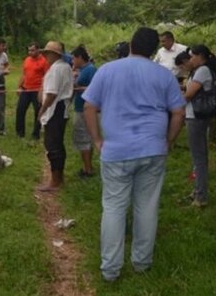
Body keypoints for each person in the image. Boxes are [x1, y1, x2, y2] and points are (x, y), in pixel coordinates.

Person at [82, 27, 186, 282]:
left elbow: (89, 106)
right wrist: (168, 141)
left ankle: (110, 270)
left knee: (114, 208)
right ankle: (141, 263)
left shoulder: (107, 70)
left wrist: (97, 140)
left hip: (116, 151)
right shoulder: (164, 75)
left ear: (130, 45)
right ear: (154, 51)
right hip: (153, 150)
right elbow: (179, 113)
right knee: (147, 207)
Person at [183, 44, 216, 208]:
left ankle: (201, 196)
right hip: (195, 117)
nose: (190, 60)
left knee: (199, 158)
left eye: (192, 56)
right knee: (198, 157)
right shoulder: (198, 71)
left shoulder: (203, 71)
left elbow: (189, 94)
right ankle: (198, 190)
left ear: (199, 56)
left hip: (196, 117)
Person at [36, 41, 73, 191]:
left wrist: (42, 110)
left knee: (52, 145)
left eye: (47, 53)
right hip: (60, 108)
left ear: (53, 54)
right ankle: (59, 178)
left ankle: (55, 181)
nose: (45, 56)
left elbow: (51, 94)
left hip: (54, 108)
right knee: (57, 144)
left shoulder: (57, 69)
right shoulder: (65, 67)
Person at [71, 45, 97, 178]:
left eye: (74, 59)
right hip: (80, 106)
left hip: (84, 109)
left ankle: (88, 169)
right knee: (85, 138)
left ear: (80, 57)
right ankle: (87, 166)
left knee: (83, 139)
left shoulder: (90, 70)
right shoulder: (81, 70)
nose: (73, 62)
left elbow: (95, 88)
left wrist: (78, 88)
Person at [16, 42, 49, 140]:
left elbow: (47, 77)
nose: (30, 52)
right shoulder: (27, 60)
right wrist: (19, 86)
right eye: (29, 50)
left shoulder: (44, 61)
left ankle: (36, 134)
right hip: (26, 89)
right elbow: (24, 74)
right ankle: (20, 134)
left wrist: (42, 90)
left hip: (37, 90)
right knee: (20, 110)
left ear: (38, 50)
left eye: (32, 50)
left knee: (38, 112)